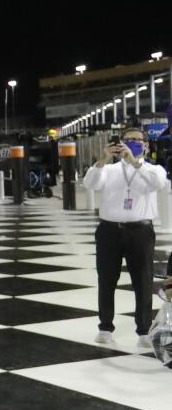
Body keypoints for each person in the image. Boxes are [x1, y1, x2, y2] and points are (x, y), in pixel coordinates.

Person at [83, 129, 167, 347]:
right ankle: (105, 327)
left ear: (146, 146)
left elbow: (158, 184)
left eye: (138, 140)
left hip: (140, 231)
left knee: (143, 281)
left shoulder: (153, 169)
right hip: (109, 231)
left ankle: (144, 330)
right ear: (120, 144)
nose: (133, 143)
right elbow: (90, 183)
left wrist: (135, 163)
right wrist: (102, 159)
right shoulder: (109, 169)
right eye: (128, 140)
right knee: (106, 279)